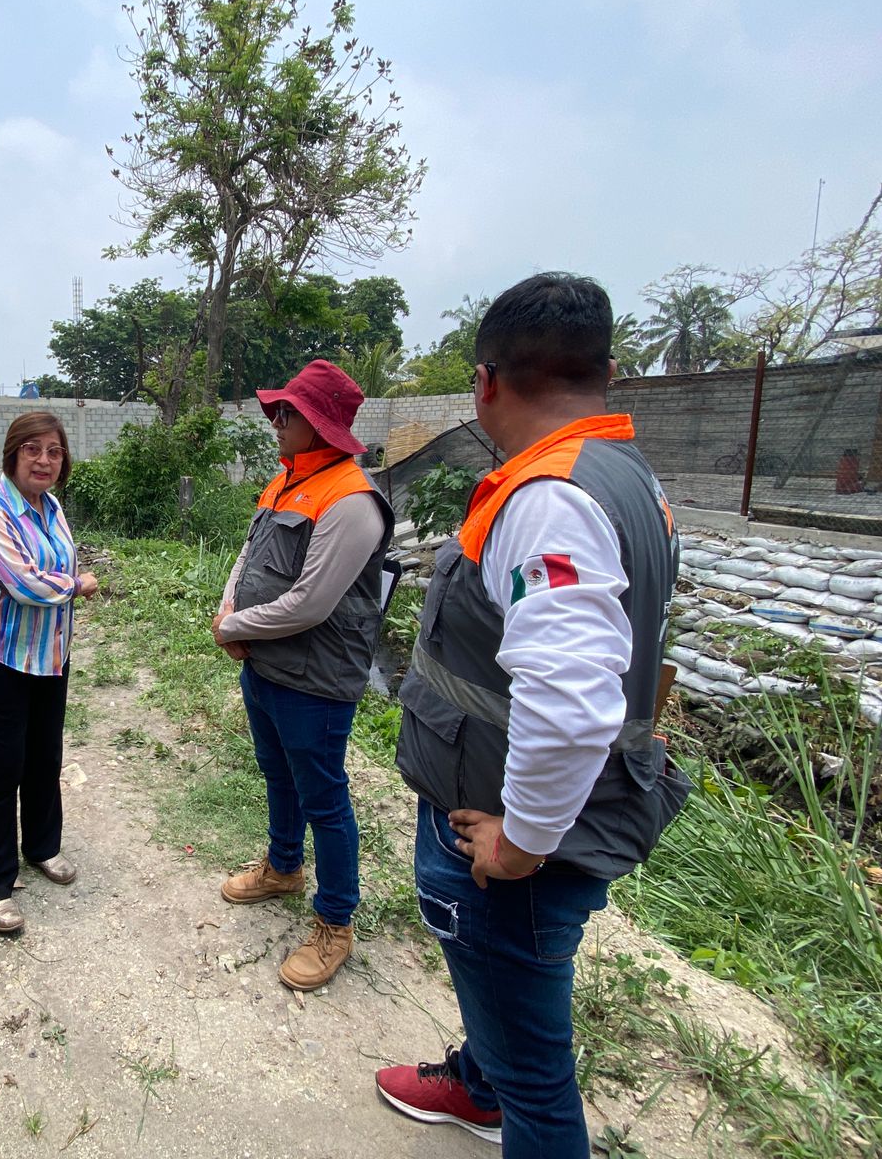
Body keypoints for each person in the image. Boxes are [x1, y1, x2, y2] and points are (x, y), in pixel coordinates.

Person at [374, 274, 683, 1156]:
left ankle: (504, 1094)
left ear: (485, 383)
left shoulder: (549, 497)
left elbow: (575, 701)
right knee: (505, 1008)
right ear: (609, 373)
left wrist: (524, 842)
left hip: (514, 855)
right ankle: (478, 1083)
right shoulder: (624, 474)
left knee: (541, 1085)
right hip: (544, 818)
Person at [210, 359, 395, 991]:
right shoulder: (286, 481)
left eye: (287, 412)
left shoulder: (352, 501)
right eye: (278, 410)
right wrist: (228, 607)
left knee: (324, 796)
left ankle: (335, 922)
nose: (277, 421)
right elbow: (248, 553)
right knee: (277, 776)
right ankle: (284, 866)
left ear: (317, 422)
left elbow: (313, 603)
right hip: (266, 666)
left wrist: (235, 629)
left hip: (314, 681)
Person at [0, 412, 99, 934]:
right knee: (1, 768)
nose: (44, 460)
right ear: (12, 454)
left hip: (48, 659)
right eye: (33, 449)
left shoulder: (52, 506)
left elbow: (48, 569)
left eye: (54, 452)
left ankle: (42, 847)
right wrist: (78, 585)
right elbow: (25, 583)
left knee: (44, 758)